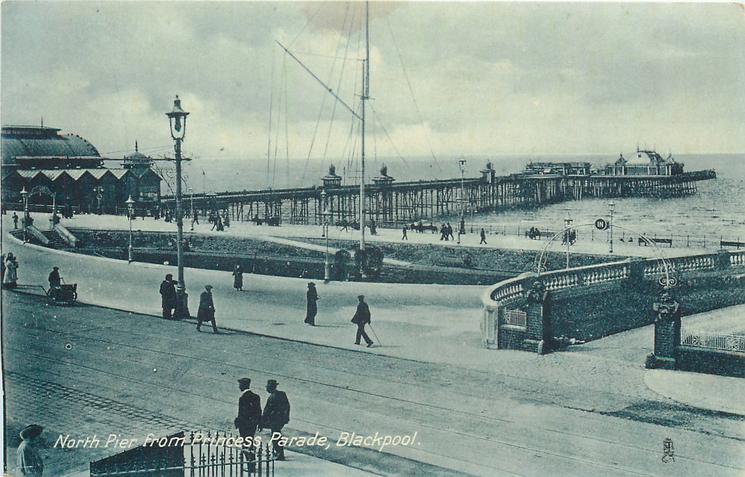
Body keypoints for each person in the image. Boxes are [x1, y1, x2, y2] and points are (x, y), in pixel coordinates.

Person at [235, 378, 262, 468]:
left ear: (243, 385)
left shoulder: (243, 398)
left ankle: (250, 465)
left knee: (246, 443)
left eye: (240, 385)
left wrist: (238, 421)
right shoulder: (256, 396)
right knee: (250, 442)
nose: (239, 387)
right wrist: (257, 422)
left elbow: (242, 413)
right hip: (252, 425)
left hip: (244, 425)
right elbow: (259, 411)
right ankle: (252, 463)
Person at [261, 380, 290, 461]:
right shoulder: (282, 394)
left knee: (275, 437)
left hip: (274, 420)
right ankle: (278, 452)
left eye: (267, 387)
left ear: (270, 388)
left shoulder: (272, 397)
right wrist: (286, 418)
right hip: (281, 420)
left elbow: (267, 411)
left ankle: (279, 454)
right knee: (277, 435)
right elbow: (287, 406)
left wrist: (262, 421)